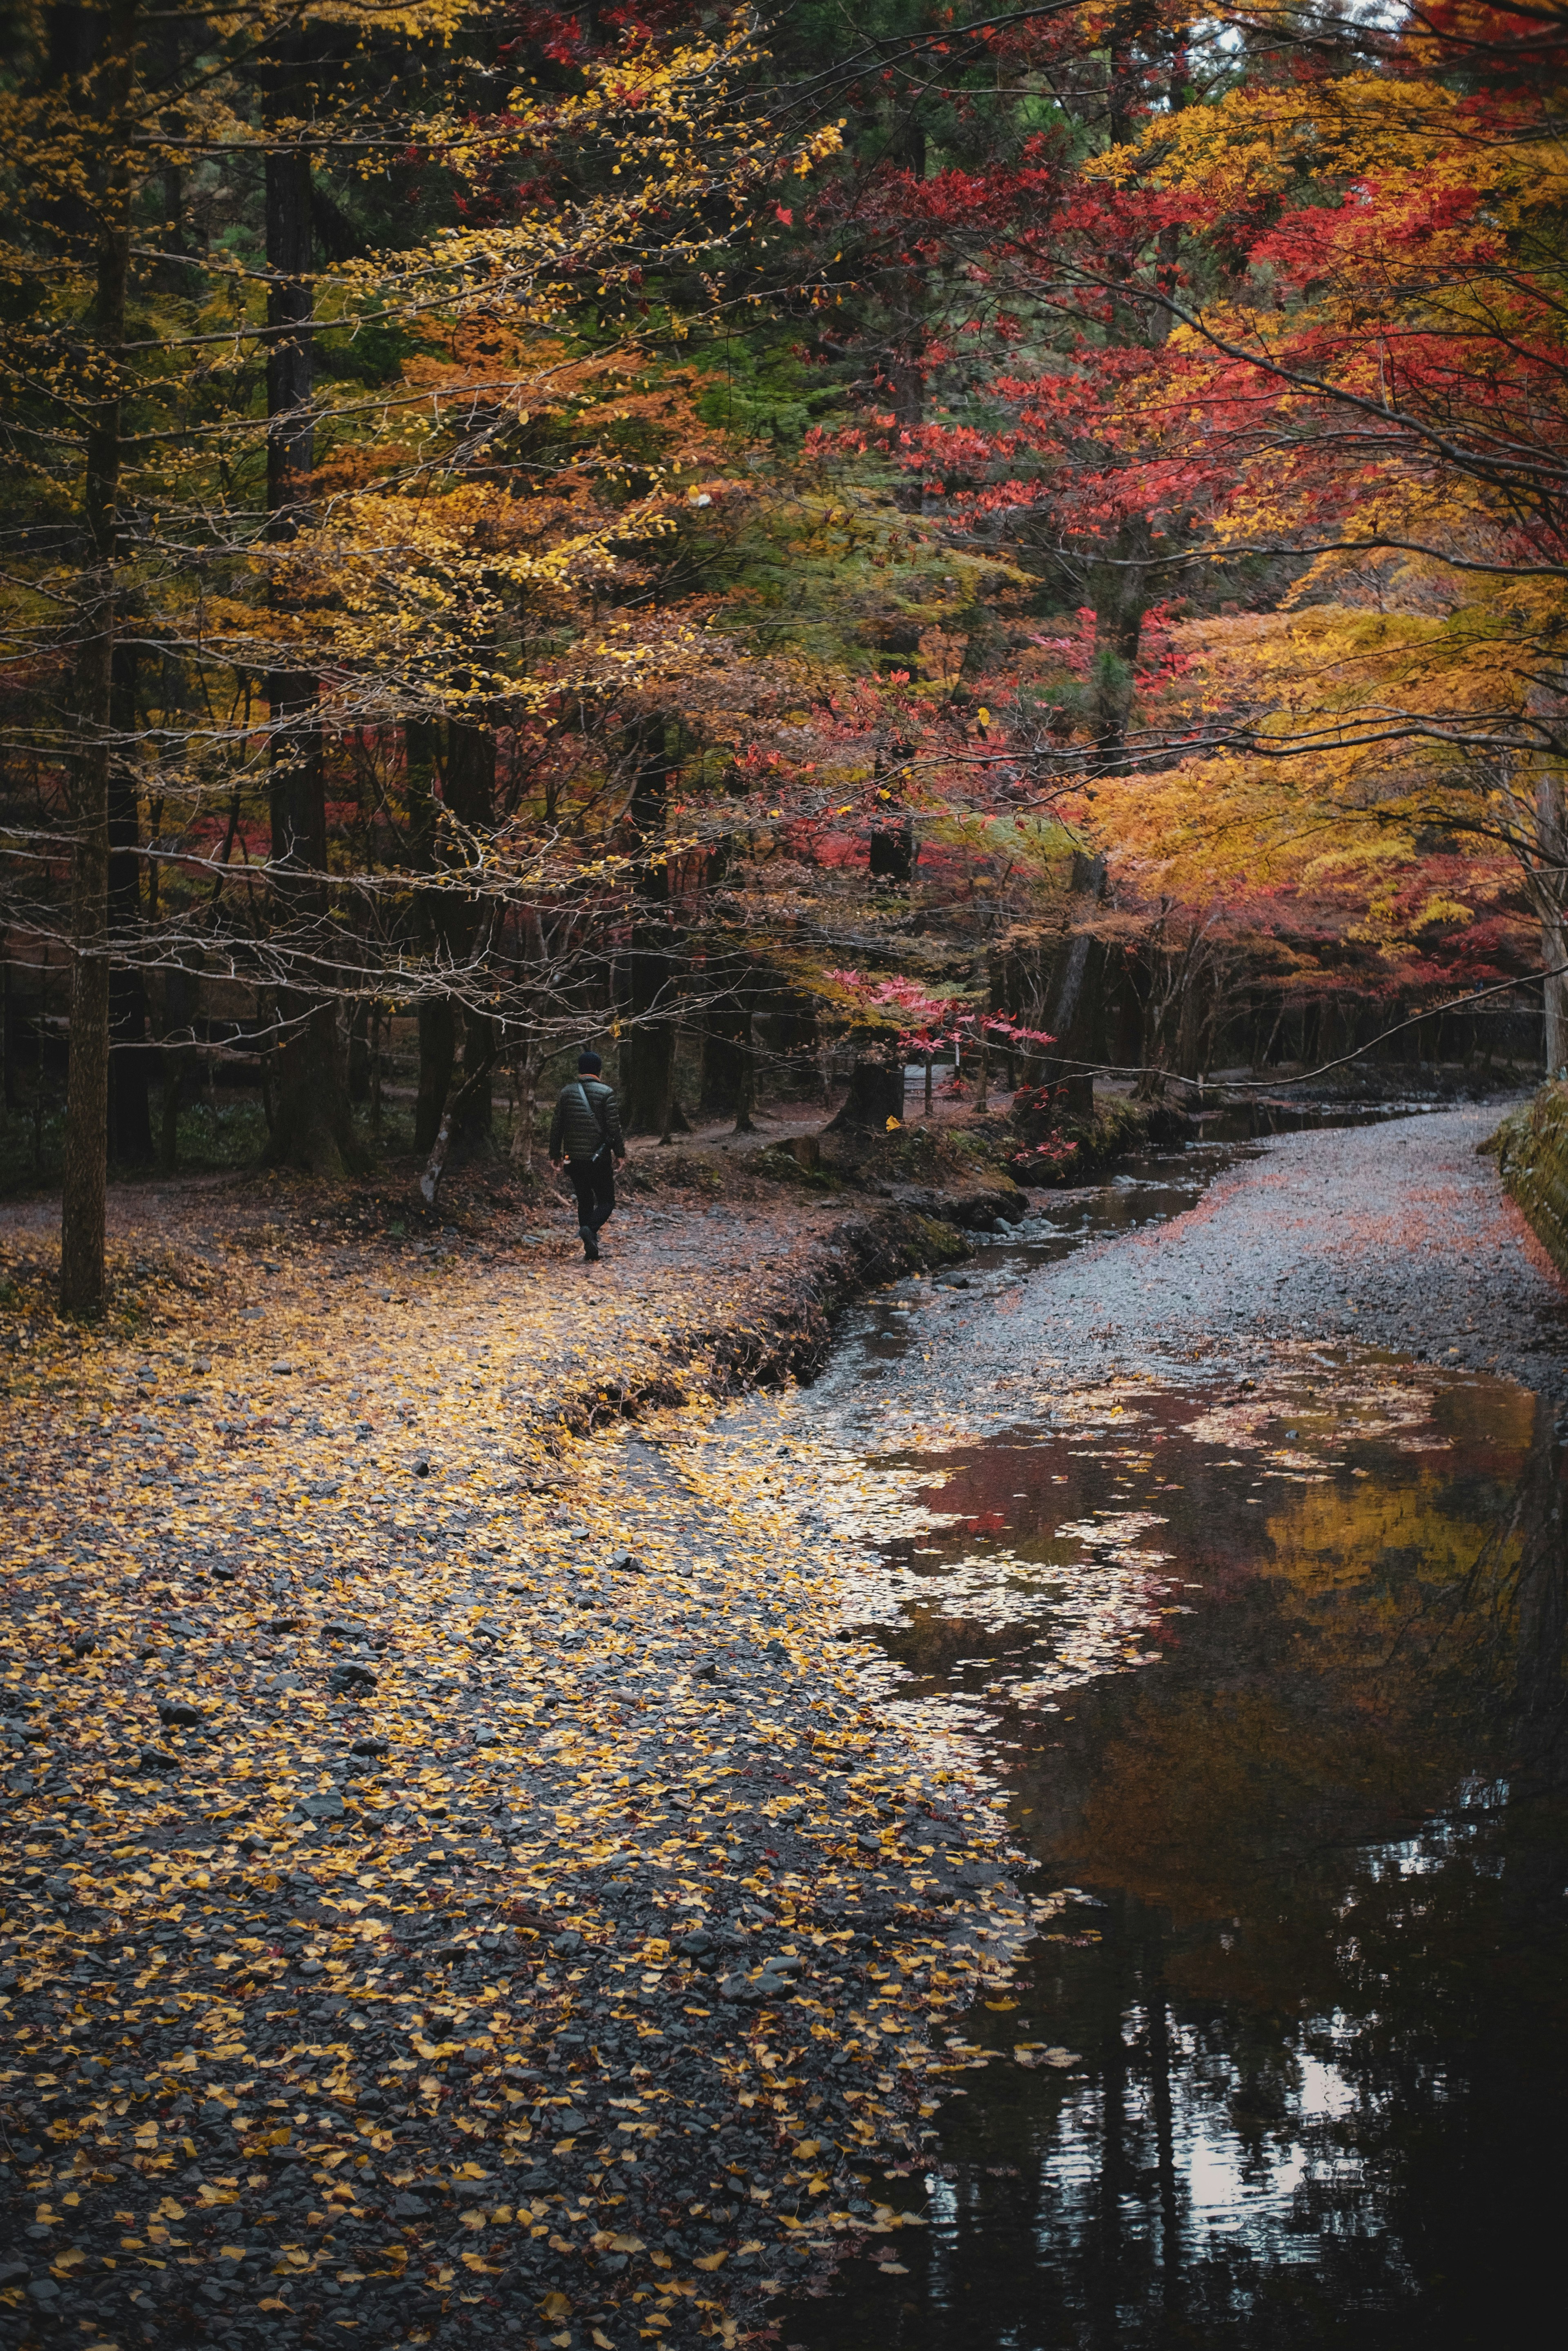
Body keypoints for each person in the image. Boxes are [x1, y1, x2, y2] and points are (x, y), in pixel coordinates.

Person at [548, 1051, 626, 1262]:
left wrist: (555, 1154)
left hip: (572, 1158)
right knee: (607, 1200)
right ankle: (590, 1231)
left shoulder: (566, 1093)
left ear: (580, 1070)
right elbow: (614, 1129)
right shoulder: (606, 1093)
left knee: (584, 1199)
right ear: (599, 1070)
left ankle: (589, 1246)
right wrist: (620, 1154)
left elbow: (557, 1126)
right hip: (598, 1159)